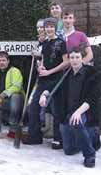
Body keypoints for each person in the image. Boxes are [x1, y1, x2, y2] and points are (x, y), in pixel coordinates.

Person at [39, 47, 101, 168]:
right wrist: (44, 94)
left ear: (82, 58)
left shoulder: (92, 73)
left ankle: (89, 154)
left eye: (77, 57)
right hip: (68, 114)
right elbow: (53, 86)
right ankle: (90, 139)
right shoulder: (66, 75)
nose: (74, 60)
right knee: (68, 150)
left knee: (77, 122)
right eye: (72, 57)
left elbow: (93, 97)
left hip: (84, 112)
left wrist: (78, 112)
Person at [22, 17, 69, 148]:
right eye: (46, 27)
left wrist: (50, 72)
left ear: (55, 28)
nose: (48, 29)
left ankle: (58, 139)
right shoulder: (44, 43)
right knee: (33, 107)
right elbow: (43, 59)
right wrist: (41, 67)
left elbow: (66, 62)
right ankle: (35, 136)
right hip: (43, 80)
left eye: (51, 27)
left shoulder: (61, 43)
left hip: (57, 80)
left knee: (57, 109)